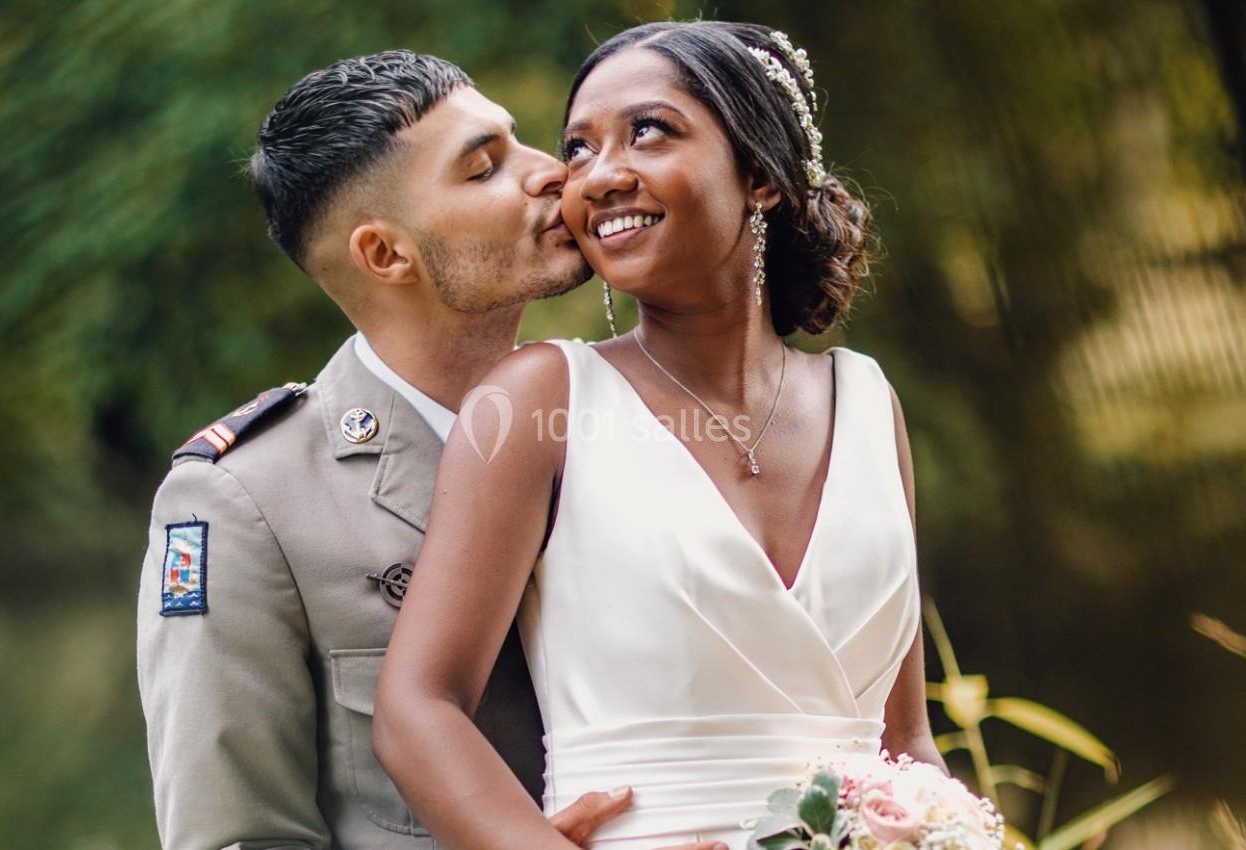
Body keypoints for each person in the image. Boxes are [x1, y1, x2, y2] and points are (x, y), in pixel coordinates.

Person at [372, 20, 947, 850]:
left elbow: (906, 744)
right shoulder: (539, 400)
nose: (601, 176)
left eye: (648, 131)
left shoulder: (866, 402)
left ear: (760, 174)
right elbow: (416, 709)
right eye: (578, 148)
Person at [136, 49, 724, 850]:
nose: (552, 173)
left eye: (520, 142)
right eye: (484, 169)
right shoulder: (248, 505)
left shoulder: (639, 428)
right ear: (386, 254)